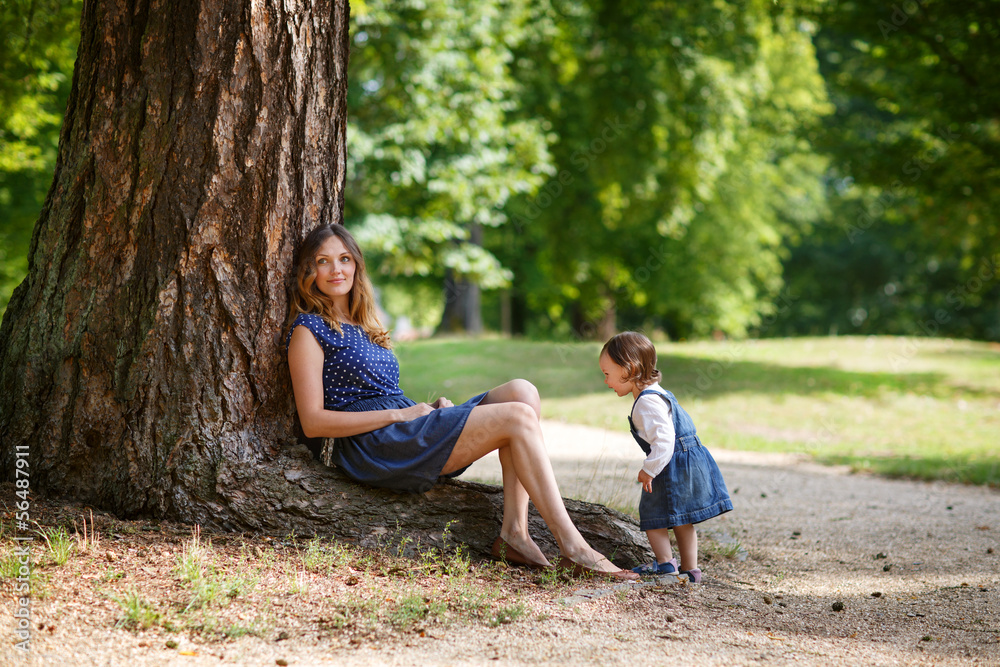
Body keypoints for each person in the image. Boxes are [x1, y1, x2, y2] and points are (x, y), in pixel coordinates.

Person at [285, 224, 638, 581]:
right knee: (517, 417)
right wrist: (399, 414)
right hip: (374, 447)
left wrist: (431, 409)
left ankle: (515, 532)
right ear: (309, 272)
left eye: (344, 259)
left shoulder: (364, 324)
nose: (336, 270)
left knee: (523, 392)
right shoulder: (308, 330)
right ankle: (574, 549)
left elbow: (384, 393)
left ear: (356, 265)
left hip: (404, 428)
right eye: (323, 262)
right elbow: (314, 421)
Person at [599, 331, 733, 582]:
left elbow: (664, 441)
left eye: (607, 374)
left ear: (628, 368)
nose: (606, 381)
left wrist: (649, 469)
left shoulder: (647, 403)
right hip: (683, 461)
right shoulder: (658, 393)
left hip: (669, 465)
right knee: (683, 519)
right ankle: (690, 570)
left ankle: (664, 564)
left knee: (653, 516)